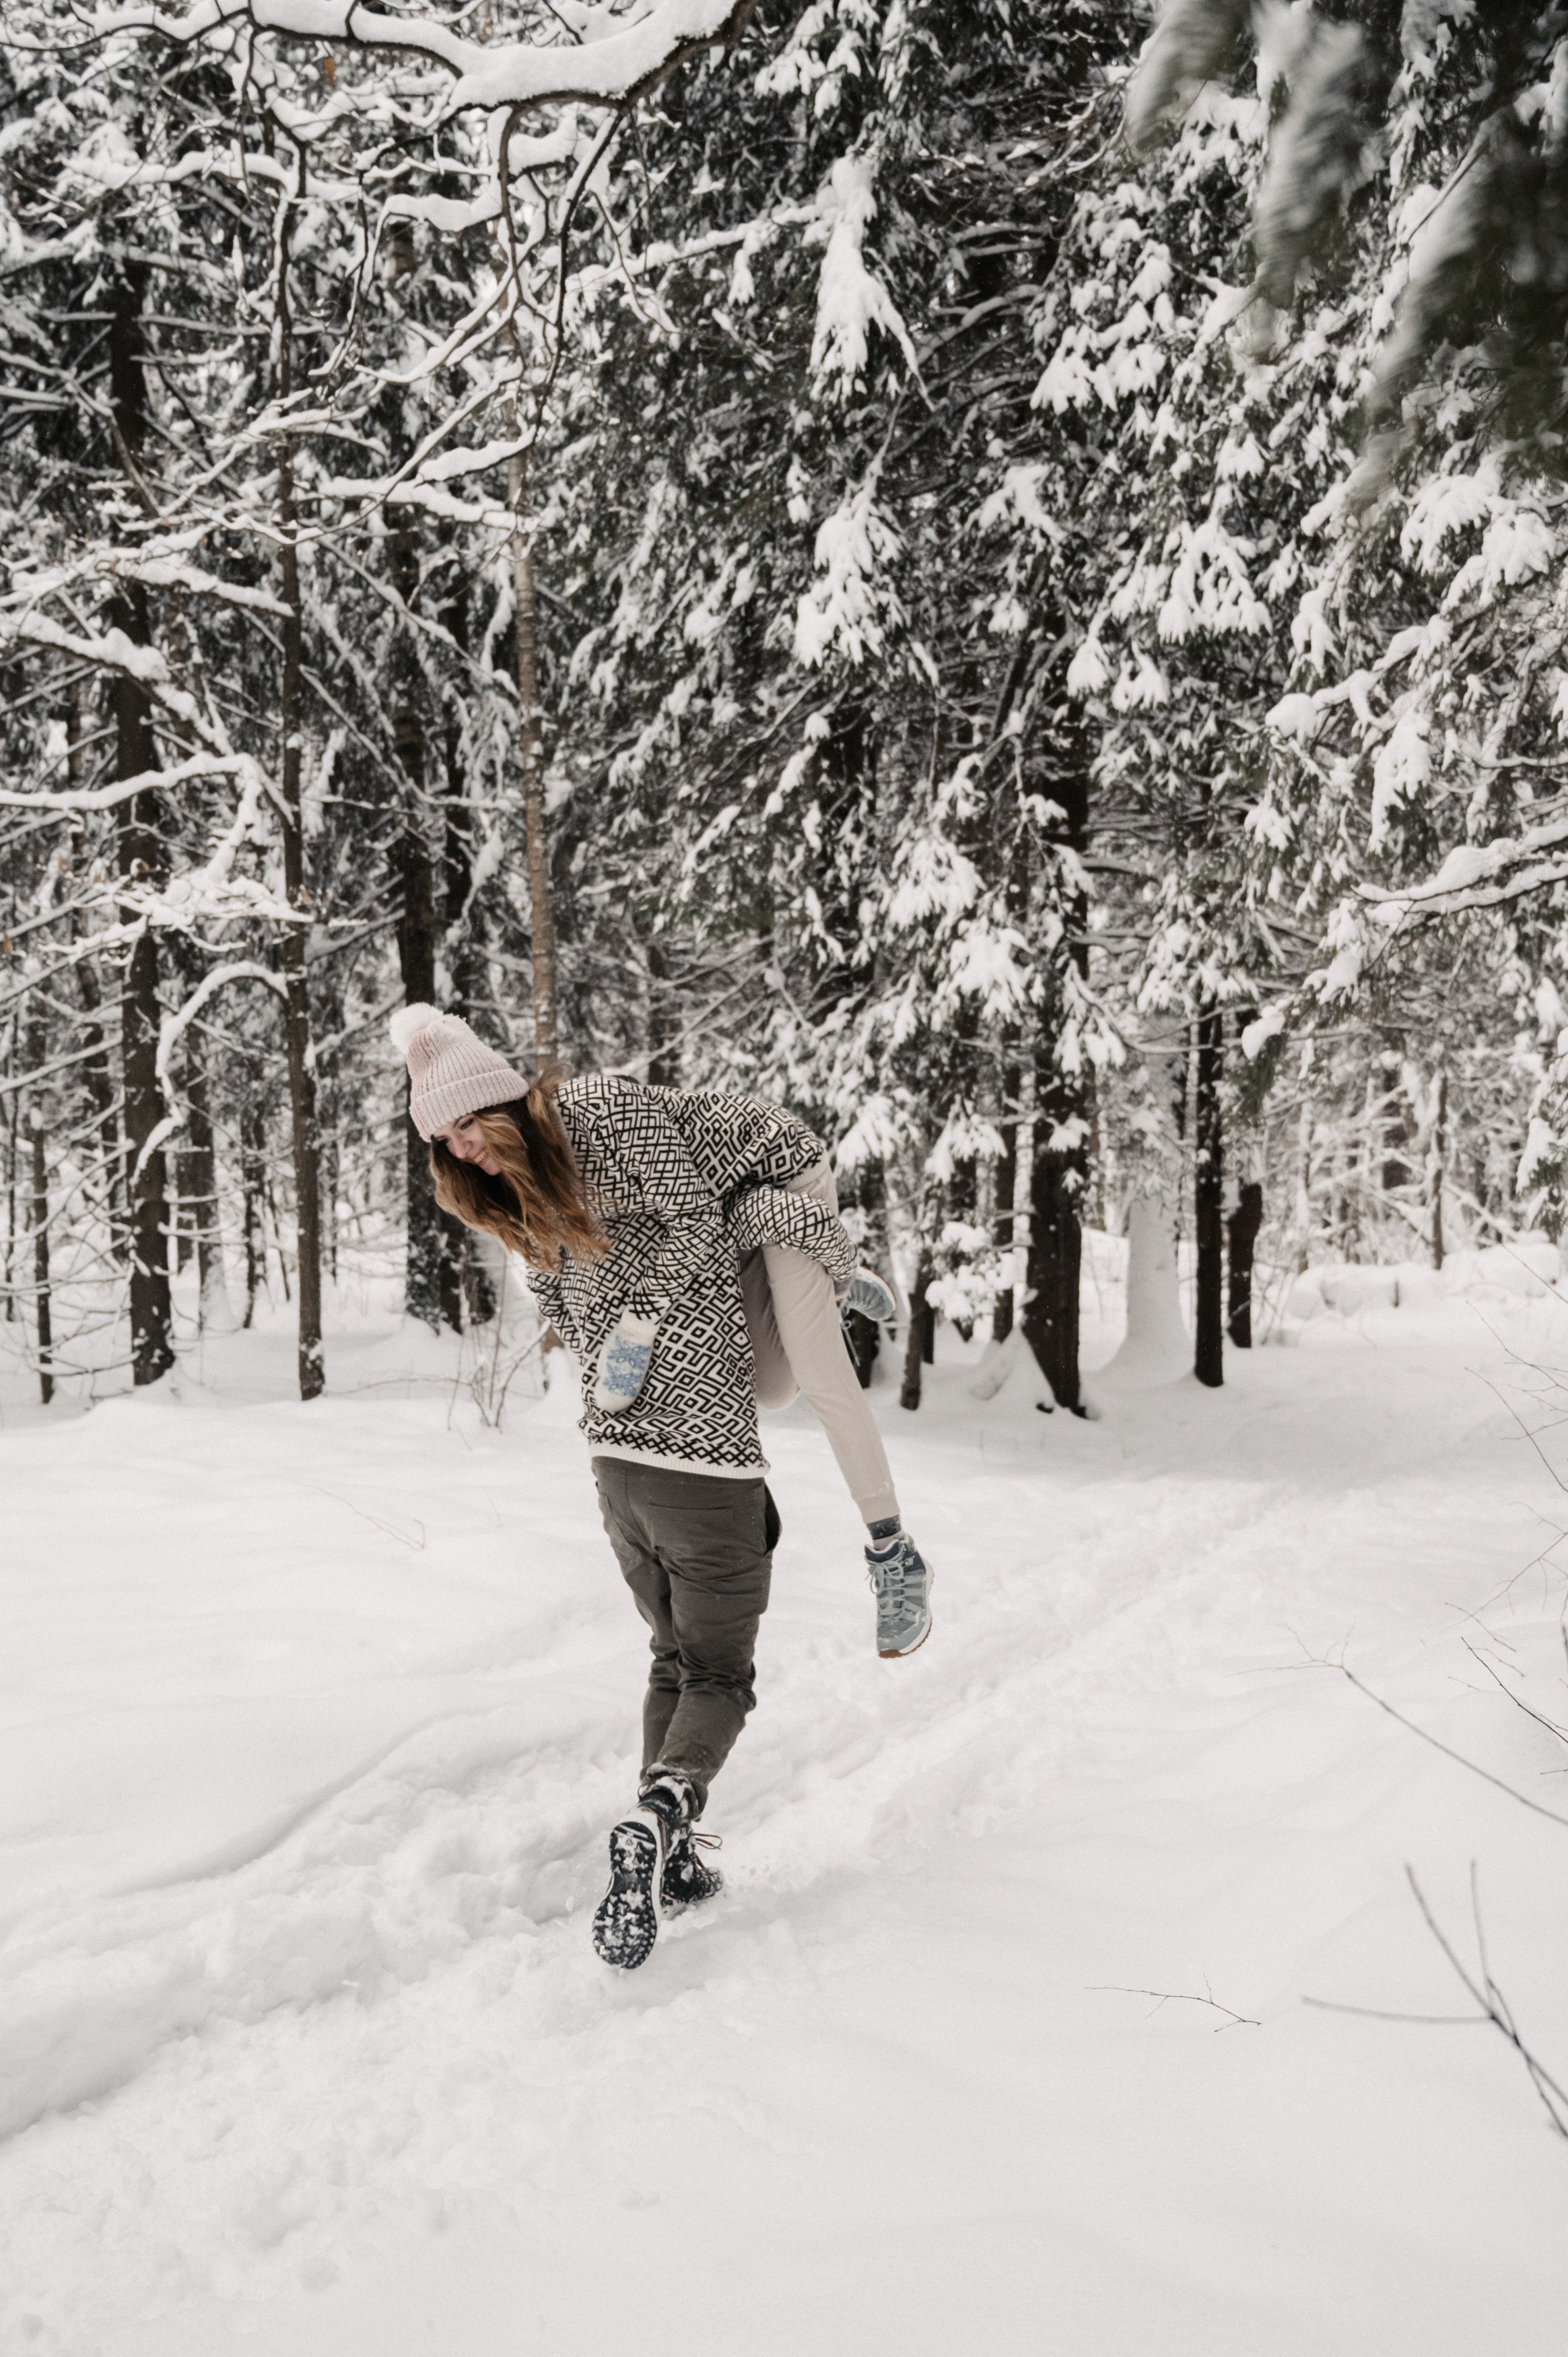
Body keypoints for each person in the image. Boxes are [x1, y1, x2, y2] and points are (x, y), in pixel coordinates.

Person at [390, 1005, 933, 1970]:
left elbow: (687, 1225)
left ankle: (890, 1542)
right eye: (442, 1142)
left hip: (772, 1177)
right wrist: (613, 1327)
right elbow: (563, 1292)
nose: (460, 1151)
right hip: (680, 1461)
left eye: (466, 1127)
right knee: (711, 1652)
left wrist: (633, 1328)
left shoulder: (600, 1110)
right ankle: (666, 1824)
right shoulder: (530, 1191)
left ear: (499, 1101)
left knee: (806, 1376)